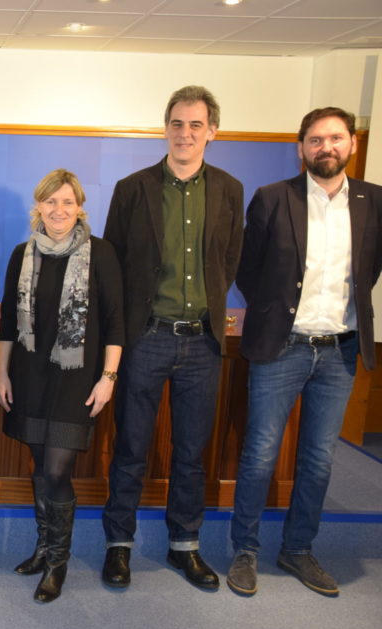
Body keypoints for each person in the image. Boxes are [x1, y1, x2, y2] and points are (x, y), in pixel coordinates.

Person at [227, 107, 382, 597]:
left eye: (335, 138)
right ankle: (244, 551)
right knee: (260, 455)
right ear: (301, 148)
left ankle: (297, 550)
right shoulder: (273, 199)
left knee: (318, 460)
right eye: (315, 140)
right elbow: (246, 269)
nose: (326, 148)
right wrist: (274, 313)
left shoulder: (375, 202)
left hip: (339, 351)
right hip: (281, 348)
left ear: (351, 145)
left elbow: (370, 271)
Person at [101, 85, 244, 590]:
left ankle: (185, 546)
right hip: (147, 339)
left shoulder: (229, 189)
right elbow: (113, 267)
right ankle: (119, 546)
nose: (186, 133)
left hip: (203, 344)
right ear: (166, 128)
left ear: (212, 132)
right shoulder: (132, 188)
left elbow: (228, 260)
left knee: (190, 453)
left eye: (196, 125)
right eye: (177, 124)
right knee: (132, 449)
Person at [0, 169, 124, 602]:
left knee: (56, 471)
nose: (59, 210)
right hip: (30, 376)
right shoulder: (21, 254)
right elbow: (10, 323)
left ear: (81, 208)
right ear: (38, 207)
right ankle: (42, 547)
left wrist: (108, 378)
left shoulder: (100, 254)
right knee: (38, 466)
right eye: (51, 202)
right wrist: (1, 372)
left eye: (68, 202)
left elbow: (115, 322)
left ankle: (57, 563)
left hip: (78, 380)